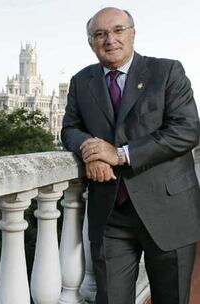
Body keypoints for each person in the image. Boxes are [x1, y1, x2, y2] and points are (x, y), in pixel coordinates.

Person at [62, 7, 200, 304]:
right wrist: (92, 151)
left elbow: (187, 130)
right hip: (111, 213)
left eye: (117, 30)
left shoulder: (167, 71)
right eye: (99, 34)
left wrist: (120, 154)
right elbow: (70, 128)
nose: (109, 39)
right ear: (91, 42)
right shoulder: (81, 81)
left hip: (169, 209)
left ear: (133, 34)